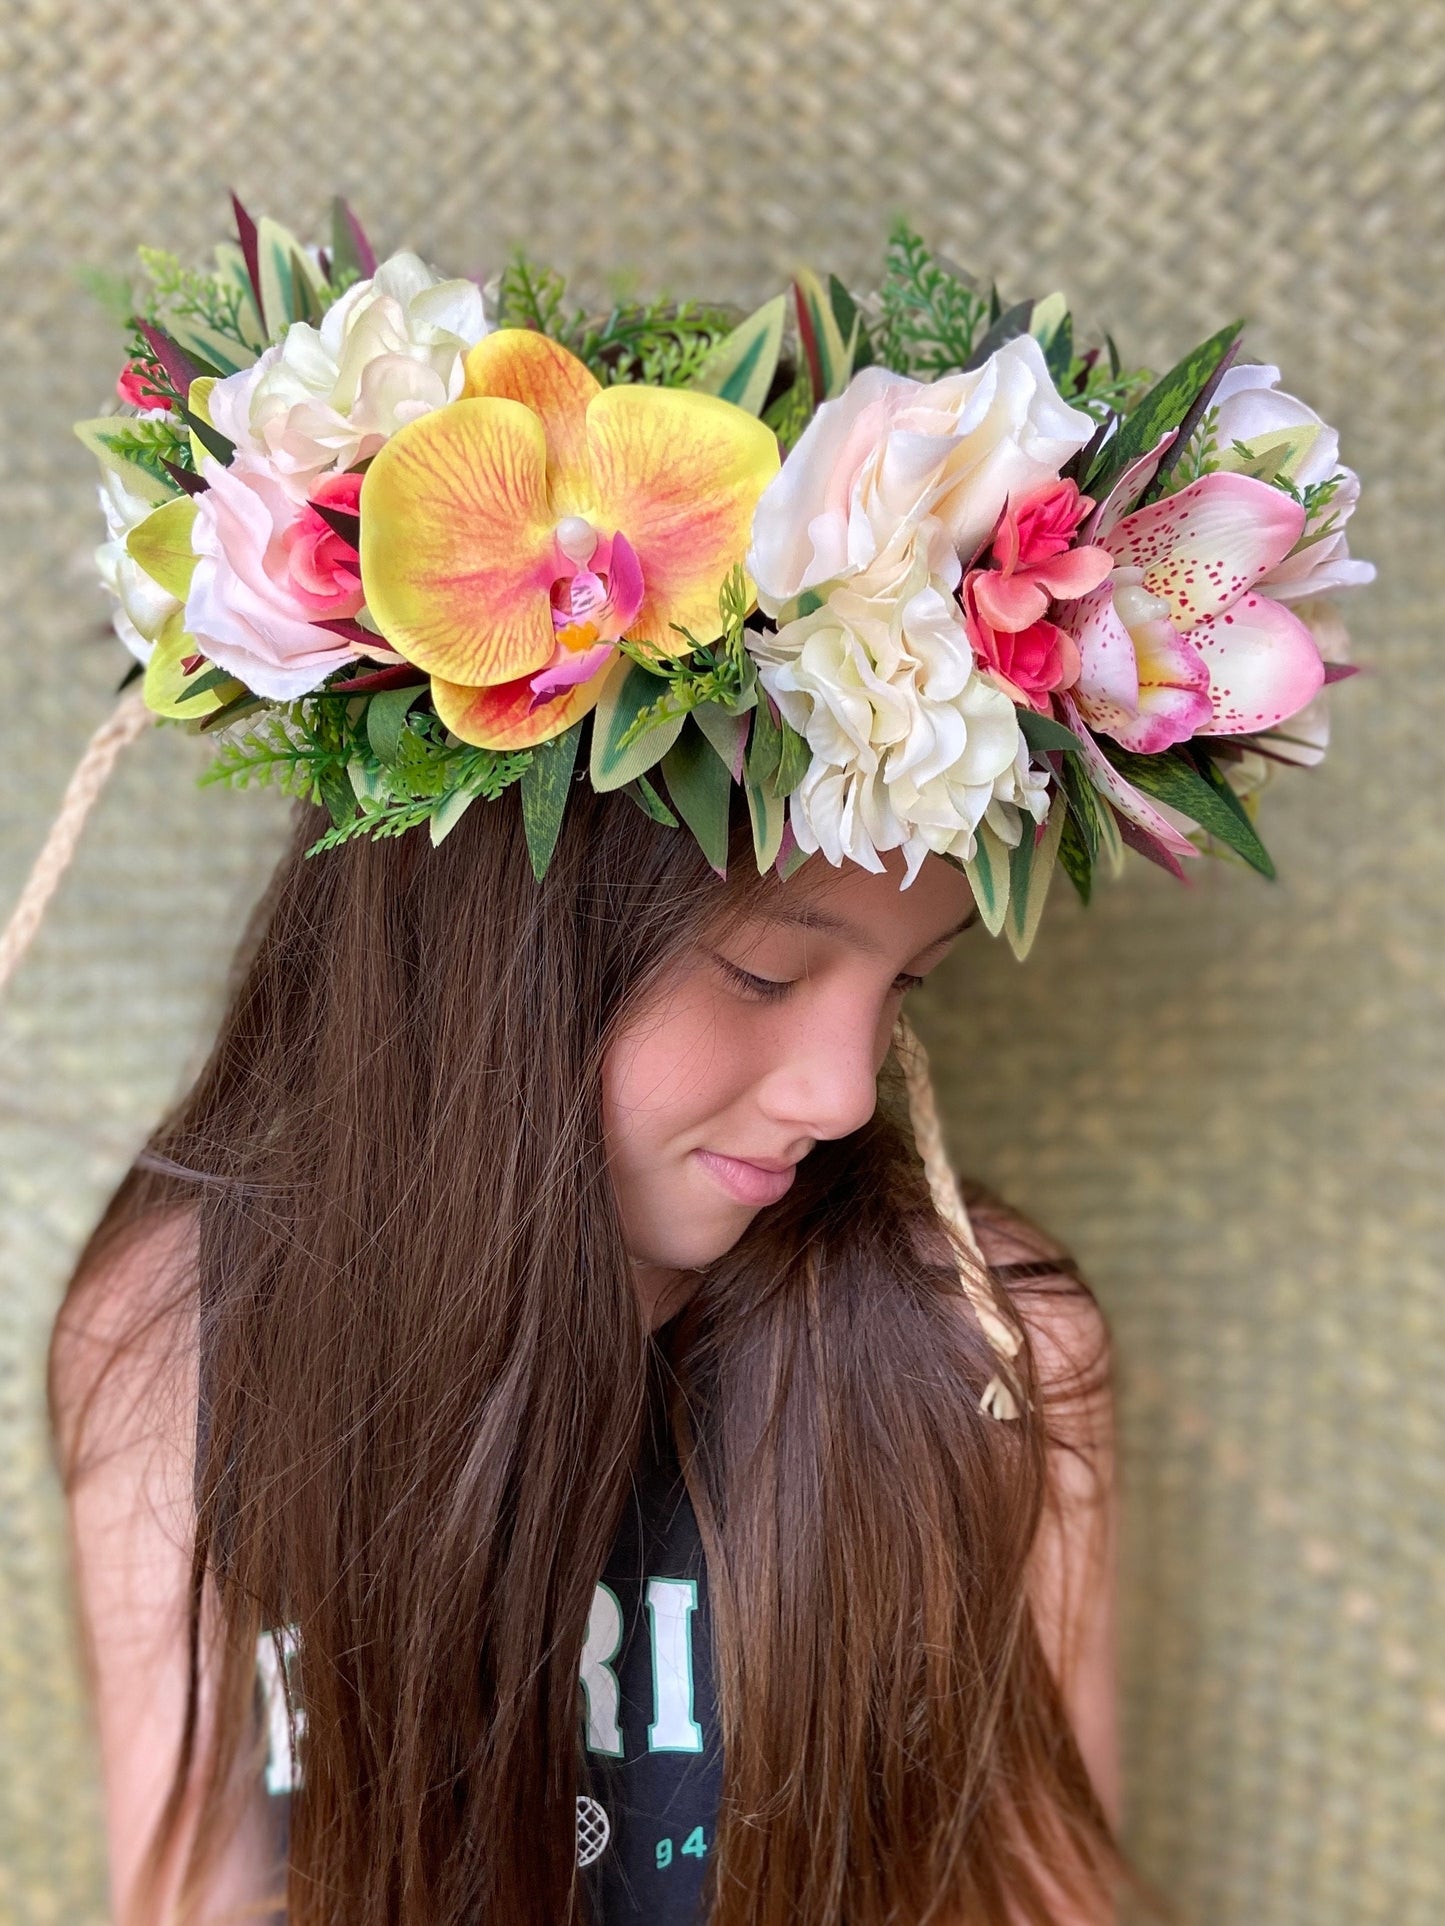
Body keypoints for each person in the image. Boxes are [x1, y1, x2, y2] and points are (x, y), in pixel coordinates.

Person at [48, 776, 1136, 1926]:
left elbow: (1045, 1894)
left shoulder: (982, 1343)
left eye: (905, 986)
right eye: (764, 973)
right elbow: (185, 1894)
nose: (841, 1095)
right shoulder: (178, 1330)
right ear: (488, 914)